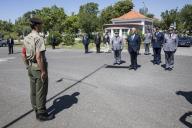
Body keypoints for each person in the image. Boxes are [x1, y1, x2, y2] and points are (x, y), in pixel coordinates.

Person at [21, 17, 54, 121]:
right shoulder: (38, 38)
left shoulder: (26, 38)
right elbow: (39, 57)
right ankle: (41, 113)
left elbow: (23, 54)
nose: (42, 26)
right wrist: (43, 71)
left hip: (30, 67)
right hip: (38, 67)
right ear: (36, 25)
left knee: (33, 90)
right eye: (41, 24)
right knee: (41, 90)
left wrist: (27, 66)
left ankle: (36, 109)